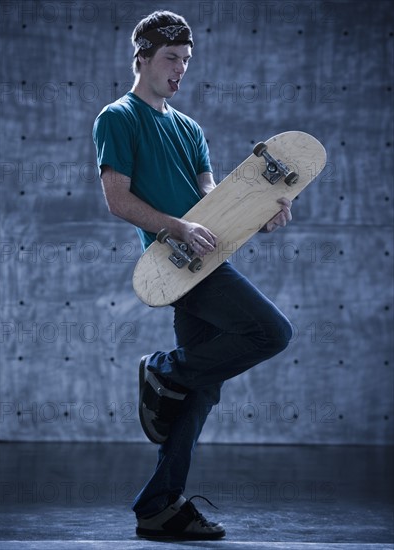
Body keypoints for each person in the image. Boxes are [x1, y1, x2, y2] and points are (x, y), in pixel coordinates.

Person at [93, 10, 293, 541]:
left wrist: (261, 216)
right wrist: (175, 229)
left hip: (206, 258)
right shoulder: (118, 117)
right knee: (272, 332)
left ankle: (159, 506)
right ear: (142, 58)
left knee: (199, 393)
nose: (179, 70)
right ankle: (165, 368)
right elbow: (118, 199)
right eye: (170, 59)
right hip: (175, 262)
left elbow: (214, 200)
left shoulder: (189, 128)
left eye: (185, 60)